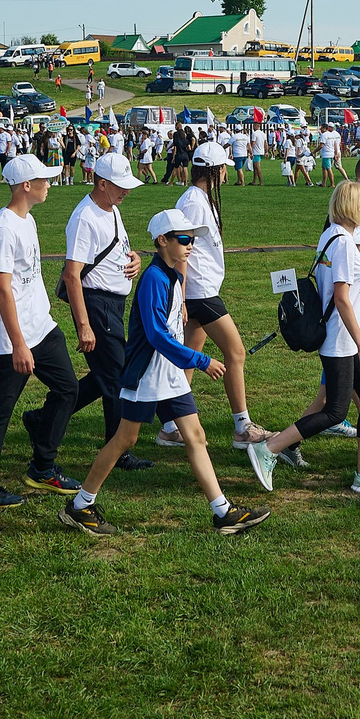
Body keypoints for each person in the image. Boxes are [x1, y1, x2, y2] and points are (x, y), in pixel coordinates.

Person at [64, 209, 272, 535]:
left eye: (194, 240)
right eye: (185, 239)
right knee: (124, 438)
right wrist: (200, 360)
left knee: (196, 436)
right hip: (147, 374)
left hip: (169, 374)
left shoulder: (172, 275)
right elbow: (156, 335)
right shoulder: (154, 279)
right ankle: (80, 506)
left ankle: (222, 512)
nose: (191, 246)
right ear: (162, 241)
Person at [244, 181, 360, 496]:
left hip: (342, 334)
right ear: (356, 209)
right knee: (335, 410)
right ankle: (271, 448)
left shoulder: (331, 236)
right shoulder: (345, 244)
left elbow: (341, 298)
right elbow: (341, 297)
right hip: (343, 341)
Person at [0, 152, 79, 506]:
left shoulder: (26, 221)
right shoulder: (2, 228)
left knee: (68, 389)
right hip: (8, 337)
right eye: (44, 180)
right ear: (26, 186)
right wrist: (18, 345)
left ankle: (43, 467)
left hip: (40, 326)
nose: (50, 185)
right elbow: (2, 288)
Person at [162, 142, 267, 454]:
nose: (226, 173)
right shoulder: (194, 202)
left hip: (199, 289)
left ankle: (169, 427)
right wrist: (180, 297)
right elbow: (181, 250)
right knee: (235, 353)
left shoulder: (198, 198)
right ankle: (242, 427)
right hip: (200, 291)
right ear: (216, 170)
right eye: (224, 168)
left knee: (190, 357)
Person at [60, 152, 152, 470]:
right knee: (117, 379)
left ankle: (43, 417)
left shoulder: (110, 208)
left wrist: (135, 257)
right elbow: (72, 274)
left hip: (112, 305)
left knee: (106, 375)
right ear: (102, 183)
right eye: (120, 186)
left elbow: (119, 247)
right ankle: (119, 451)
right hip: (96, 305)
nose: (127, 192)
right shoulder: (85, 217)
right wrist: (84, 325)